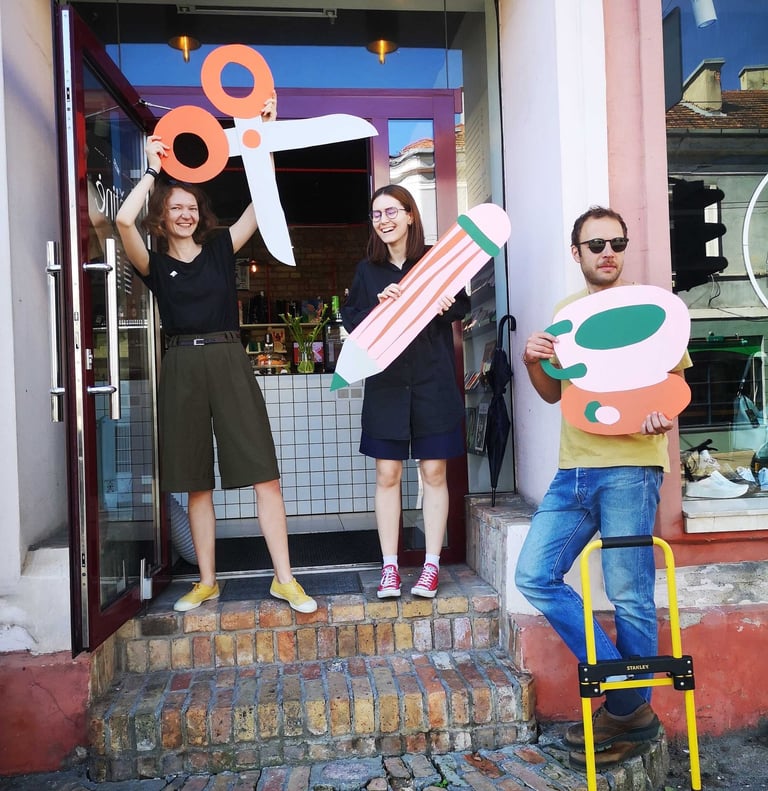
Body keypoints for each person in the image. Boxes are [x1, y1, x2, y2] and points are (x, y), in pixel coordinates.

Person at [115, 94, 316, 615]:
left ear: (200, 214)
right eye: (175, 207)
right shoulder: (153, 263)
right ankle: (207, 581)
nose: (184, 214)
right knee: (195, 483)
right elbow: (122, 222)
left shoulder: (223, 248)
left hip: (228, 359)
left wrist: (263, 140)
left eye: (191, 207)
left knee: (264, 473)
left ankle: (285, 579)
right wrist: (153, 171)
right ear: (164, 215)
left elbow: (261, 205)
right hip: (181, 365)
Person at [514, 206, 691, 769]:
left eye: (616, 242)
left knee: (630, 594)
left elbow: (674, 387)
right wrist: (533, 360)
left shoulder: (653, 309)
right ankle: (627, 699)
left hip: (632, 468)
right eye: (596, 245)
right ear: (578, 253)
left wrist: (662, 416)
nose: (607, 252)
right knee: (534, 575)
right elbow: (554, 394)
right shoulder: (567, 316)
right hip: (574, 470)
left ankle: (627, 715)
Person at [342, 185, 470, 599]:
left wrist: (445, 304)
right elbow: (352, 322)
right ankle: (390, 568)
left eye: (391, 212)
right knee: (387, 474)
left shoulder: (434, 261)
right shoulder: (368, 271)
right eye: (377, 214)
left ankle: (431, 565)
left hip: (433, 381)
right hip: (388, 385)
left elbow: (462, 306)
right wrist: (379, 307)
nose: (384, 221)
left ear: (410, 215)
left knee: (434, 473)